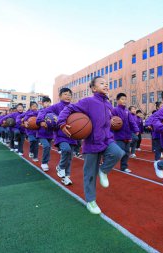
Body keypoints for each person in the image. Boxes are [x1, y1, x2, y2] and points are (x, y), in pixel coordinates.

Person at [58, 76, 124, 214]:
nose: (106, 85)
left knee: (118, 153)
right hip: (92, 143)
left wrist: (111, 122)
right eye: (102, 83)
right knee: (90, 174)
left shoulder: (108, 104)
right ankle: (91, 201)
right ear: (94, 88)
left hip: (107, 140)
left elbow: (106, 121)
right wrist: (62, 123)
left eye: (107, 83)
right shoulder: (88, 101)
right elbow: (69, 108)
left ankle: (104, 170)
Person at [46, 88, 77, 186]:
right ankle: (60, 166)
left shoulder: (74, 107)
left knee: (70, 157)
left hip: (72, 135)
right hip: (60, 135)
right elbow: (44, 112)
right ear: (60, 96)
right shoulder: (55, 107)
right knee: (66, 150)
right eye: (65, 94)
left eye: (69, 94)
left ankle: (66, 177)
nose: (68, 96)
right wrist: (41, 121)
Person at [112, 92, 139, 173]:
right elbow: (110, 120)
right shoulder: (115, 110)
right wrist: (112, 122)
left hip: (127, 135)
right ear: (117, 100)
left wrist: (136, 129)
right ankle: (108, 162)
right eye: (122, 99)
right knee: (119, 152)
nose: (124, 101)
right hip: (118, 135)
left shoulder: (127, 111)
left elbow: (132, 122)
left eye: (125, 99)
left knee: (127, 152)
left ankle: (124, 167)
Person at [36, 97, 54, 171]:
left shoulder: (53, 112)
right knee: (46, 146)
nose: (47, 104)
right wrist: (41, 121)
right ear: (42, 104)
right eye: (45, 102)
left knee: (48, 148)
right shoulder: (41, 111)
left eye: (49, 102)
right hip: (41, 134)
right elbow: (39, 118)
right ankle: (44, 163)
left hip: (50, 134)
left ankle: (46, 161)